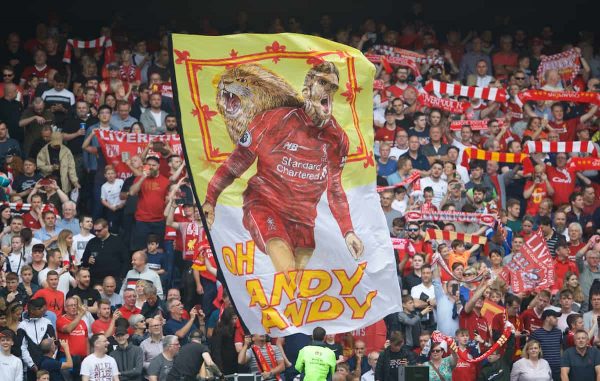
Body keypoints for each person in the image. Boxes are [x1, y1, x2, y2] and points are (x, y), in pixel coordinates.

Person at [203, 62, 364, 275]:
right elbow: (236, 164)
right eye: (323, 83)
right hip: (265, 205)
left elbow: (334, 189)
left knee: (293, 294)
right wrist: (210, 200)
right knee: (288, 273)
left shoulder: (337, 138)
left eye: (333, 87)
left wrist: (348, 232)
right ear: (306, 91)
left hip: (304, 222)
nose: (329, 90)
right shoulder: (273, 120)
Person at [81, 218, 129, 286]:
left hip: (113, 281)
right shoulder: (91, 242)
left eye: (99, 230)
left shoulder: (118, 242)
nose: (96, 233)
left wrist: (121, 276)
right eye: (95, 231)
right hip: (95, 281)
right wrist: (88, 261)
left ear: (106, 228)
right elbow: (84, 261)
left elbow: (126, 260)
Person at [16, 297, 56, 380]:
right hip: (31, 367)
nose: (43, 310)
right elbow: (22, 348)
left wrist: (50, 361)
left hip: (47, 365)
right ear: (32, 310)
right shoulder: (22, 326)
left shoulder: (47, 322)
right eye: (40, 308)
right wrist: (31, 365)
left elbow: (54, 343)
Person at [531, 309, 563, 381]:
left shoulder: (558, 332)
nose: (557, 319)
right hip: (542, 369)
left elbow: (560, 348)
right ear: (547, 318)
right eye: (554, 317)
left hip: (557, 369)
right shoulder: (536, 333)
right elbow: (531, 351)